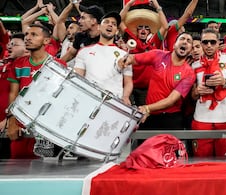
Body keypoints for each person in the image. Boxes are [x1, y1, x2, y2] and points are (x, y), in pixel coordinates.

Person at [6, 24, 66, 159]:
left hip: (47, 133)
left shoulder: (58, 65)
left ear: (46, 41)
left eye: (34, 35)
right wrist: (11, 120)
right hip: (21, 130)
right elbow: (13, 94)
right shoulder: (18, 64)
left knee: (45, 174)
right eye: (27, 34)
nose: (27, 38)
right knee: (17, 171)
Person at [119, 32, 195, 131]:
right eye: (182, 39)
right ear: (174, 45)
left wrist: (147, 108)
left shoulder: (189, 73)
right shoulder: (158, 55)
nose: (185, 42)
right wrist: (125, 60)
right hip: (150, 116)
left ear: (191, 50)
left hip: (171, 119)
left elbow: (171, 100)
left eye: (189, 41)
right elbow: (133, 58)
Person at [191, 28, 226, 157]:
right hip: (202, 118)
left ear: (218, 43)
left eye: (212, 42)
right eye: (205, 42)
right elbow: (192, 95)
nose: (209, 45)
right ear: (201, 43)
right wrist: (197, 91)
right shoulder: (194, 65)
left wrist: (224, 82)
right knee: (202, 163)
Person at [74, 12, 133, 105]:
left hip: (113, 103)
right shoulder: (84, 51)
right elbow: (77, 77)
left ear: (116, 31)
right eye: (106, 22)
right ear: (98, 27)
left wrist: (125, 97)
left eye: (114, 24)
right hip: (88, 99)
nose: (110, 24)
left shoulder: (125, 55)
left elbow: (128, 82)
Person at [0, 32, 27, 158]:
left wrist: (9, 119)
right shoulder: (4, 66)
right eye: (9, 44)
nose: (10, 47)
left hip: (13, 126)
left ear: (26, 48)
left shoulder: (26, 69)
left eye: (14, 44)